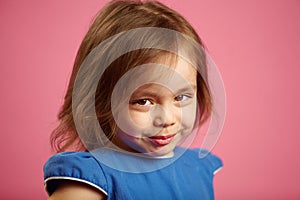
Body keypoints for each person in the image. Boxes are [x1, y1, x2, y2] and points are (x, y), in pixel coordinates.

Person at [44, 0, 223, 199]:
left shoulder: (197, 168)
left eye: (181, 97)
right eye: (144, 101)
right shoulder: (92, 180)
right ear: (100, 99)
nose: (167, 119)